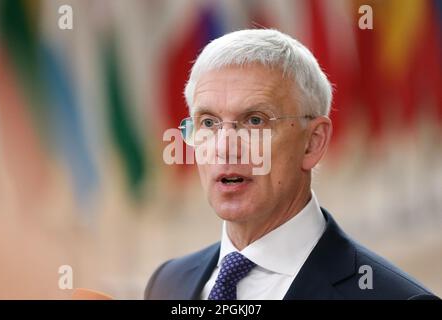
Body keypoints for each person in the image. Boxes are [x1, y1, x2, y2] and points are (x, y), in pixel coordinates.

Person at [145, 29, 438, 300]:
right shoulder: (167, 284)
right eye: (208, 122)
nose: (224, 148)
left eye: (255, 121)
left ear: (312, 142)